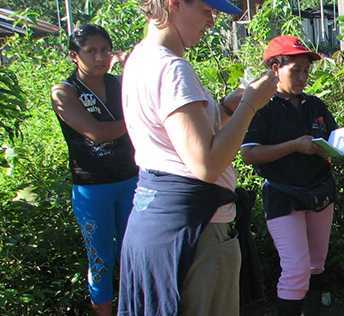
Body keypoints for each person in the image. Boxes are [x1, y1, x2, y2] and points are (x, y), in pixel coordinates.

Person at [116, 0, 278, 314]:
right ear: (173, 4)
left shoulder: (141, 57)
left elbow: (174, 138)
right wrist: (250, 105)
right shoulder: (172, 68)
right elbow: (206, 164)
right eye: (207, 11)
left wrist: (225, 109)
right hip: (196, 231)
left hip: (157, 222)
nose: (212, 21)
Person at [241, 35, 344, 316]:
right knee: (295, 267)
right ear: (274, 69)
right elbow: (249, 153)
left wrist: (343, 140)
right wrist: (294, 146)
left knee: (316, 264)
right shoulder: (260, 108)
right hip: (282, 195)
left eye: (307, 71)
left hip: (319, 192)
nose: (304, 77)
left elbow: (330, 140)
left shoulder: (314, 105)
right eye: (296, 70)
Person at [50, 23, 138, 316]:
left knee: (135, 254)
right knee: (100, 260)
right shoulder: (64, 92)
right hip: (92, 188)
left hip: (132, 181)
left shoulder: (120, 84)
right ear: (74, 55)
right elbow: (96, 132)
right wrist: (136, 120)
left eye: (105, 50)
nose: (100, 57)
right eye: (91, 51)